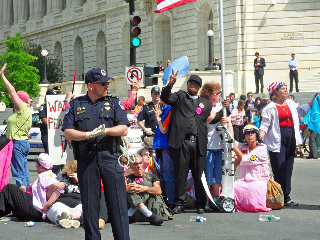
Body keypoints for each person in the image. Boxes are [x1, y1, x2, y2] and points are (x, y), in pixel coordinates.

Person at [62, 68, 130, 240]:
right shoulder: (76, 104)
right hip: (87, 158)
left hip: (110, 156)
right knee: (90, 206)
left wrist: (105, 130)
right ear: (91, 86)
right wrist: (87, 135)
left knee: (117, 204)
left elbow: (124, 128)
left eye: (107, 82)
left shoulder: (114, 102)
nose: (107, 85)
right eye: (103, 83)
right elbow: (68, 132)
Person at [160, 72, 213, 214]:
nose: (193, 86)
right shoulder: (179, 96)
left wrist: (223, 111)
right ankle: (180, 203)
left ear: (199, 88)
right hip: (181, 142)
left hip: (198, 143)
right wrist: (170, 84)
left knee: (199, 175)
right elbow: (164, 97)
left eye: (196, 85)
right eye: (191, 83)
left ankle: (200, 203)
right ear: (188, 85)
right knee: (181, 174)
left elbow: (210, 119)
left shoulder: (205, 104)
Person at [259, 81, 312, 206]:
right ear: (276, 92)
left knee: (288, 167)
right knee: (278, 166)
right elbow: (265, 125)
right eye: (283, 88)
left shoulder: (290, 103)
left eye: (286, 88)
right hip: (277, 138)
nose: (286, 90)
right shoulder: (270, 107)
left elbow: (301, 111)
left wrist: (312, 102)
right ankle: (278, 195)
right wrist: (259, 137)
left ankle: (287, 196)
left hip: (291, 136)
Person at [199, 82, 232, 209]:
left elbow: (228, 125)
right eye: (216, 93)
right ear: (208, 94)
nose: (218, 95)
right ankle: (207, 200)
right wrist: (211, 118)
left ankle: (216, 198)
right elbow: (201, 125)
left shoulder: (221, 107)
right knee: (207, 174)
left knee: (218, 174)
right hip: (207, 146)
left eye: (219, 93)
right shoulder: (203, 107)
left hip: (220, 146)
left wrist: (225, 120)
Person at [0, 63, 32, 191]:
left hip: (17, 143)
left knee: (18, 173)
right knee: (23, 171)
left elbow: (12, 91)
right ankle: (27, 196)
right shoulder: (23, 111)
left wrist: (2, 75)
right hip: (22, 142)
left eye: (14, 98)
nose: (12, 99)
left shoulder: (22, 108)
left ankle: (21, 199)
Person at [0, 162, 66, 222]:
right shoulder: (47, 176)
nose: (35, 166)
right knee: (11, 193)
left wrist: (47, 204)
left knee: (9, 188)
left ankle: (2, 211)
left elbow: (51, 194)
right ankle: (6, 210)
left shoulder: (47, 177)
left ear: (41, 168)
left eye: (37, 165)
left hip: (36, 209)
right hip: (33, 205)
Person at [233, 125, 272, 212]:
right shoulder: (243, 147)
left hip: (260, 180)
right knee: (234, 186)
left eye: (252, 133)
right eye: (247, 133)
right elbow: (232, 141)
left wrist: (234, 147)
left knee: (252, 189)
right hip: (244, 181)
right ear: (244, 137)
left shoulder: (262, 149)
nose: (250, 135)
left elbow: (246, 160)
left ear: (256, 136)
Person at [126, 154, 164, 226]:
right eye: (135, 164)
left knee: (146, 183)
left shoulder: (152, 176)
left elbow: (158, 191)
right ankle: (147, 214)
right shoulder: (127, 178)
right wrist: (129, 188)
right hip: (137, 215)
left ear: (143, 164)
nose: (138, 166)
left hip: (151, 209)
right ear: (131, 166)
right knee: (130, 187)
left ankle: (129, 214)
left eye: (140, 163)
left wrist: (143, 188)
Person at [46, 158, 83, 229]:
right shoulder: (61, 178)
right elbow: (48, 196)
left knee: (83, 208)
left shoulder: (85, 179)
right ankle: (67, 219)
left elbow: (90, 195)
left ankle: (70, 217)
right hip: (62, 203)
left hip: (78, 205)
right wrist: (54, 186)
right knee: (58, 208)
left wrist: (80, 181)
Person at [153, 102, 175, 208]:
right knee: (162, 174)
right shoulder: (165, 109)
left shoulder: (170, 110)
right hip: (161, 146)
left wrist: (158, 117)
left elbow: (163, 129)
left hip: (166, 146)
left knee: (167, 175)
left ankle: (171, 201)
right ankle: (165, 199)